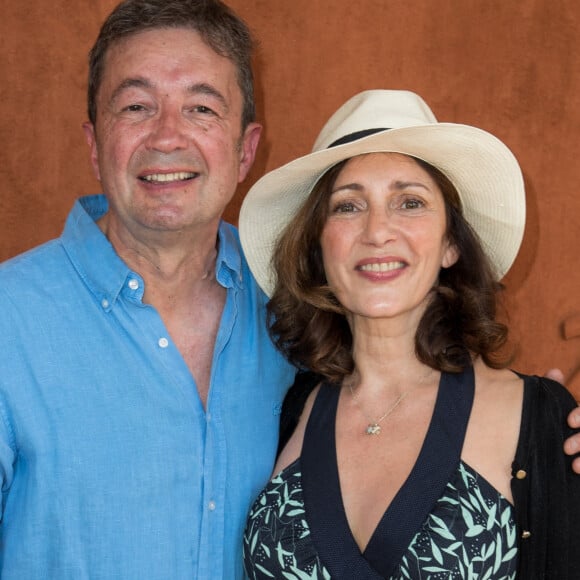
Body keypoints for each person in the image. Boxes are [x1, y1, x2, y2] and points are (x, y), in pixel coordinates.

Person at [0, 1, 296, 578]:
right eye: (136, 107)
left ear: (245, 149)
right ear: (93, 143)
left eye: (201, 108)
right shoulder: (6, 321)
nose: (167, 137)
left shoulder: (298, 315)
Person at [239, 90, 580, 578]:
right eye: (348, 207)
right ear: (318, 248)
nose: (378, 231)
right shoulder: (286, 408)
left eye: (410, 202)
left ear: (450, 245)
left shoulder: (545, 421)